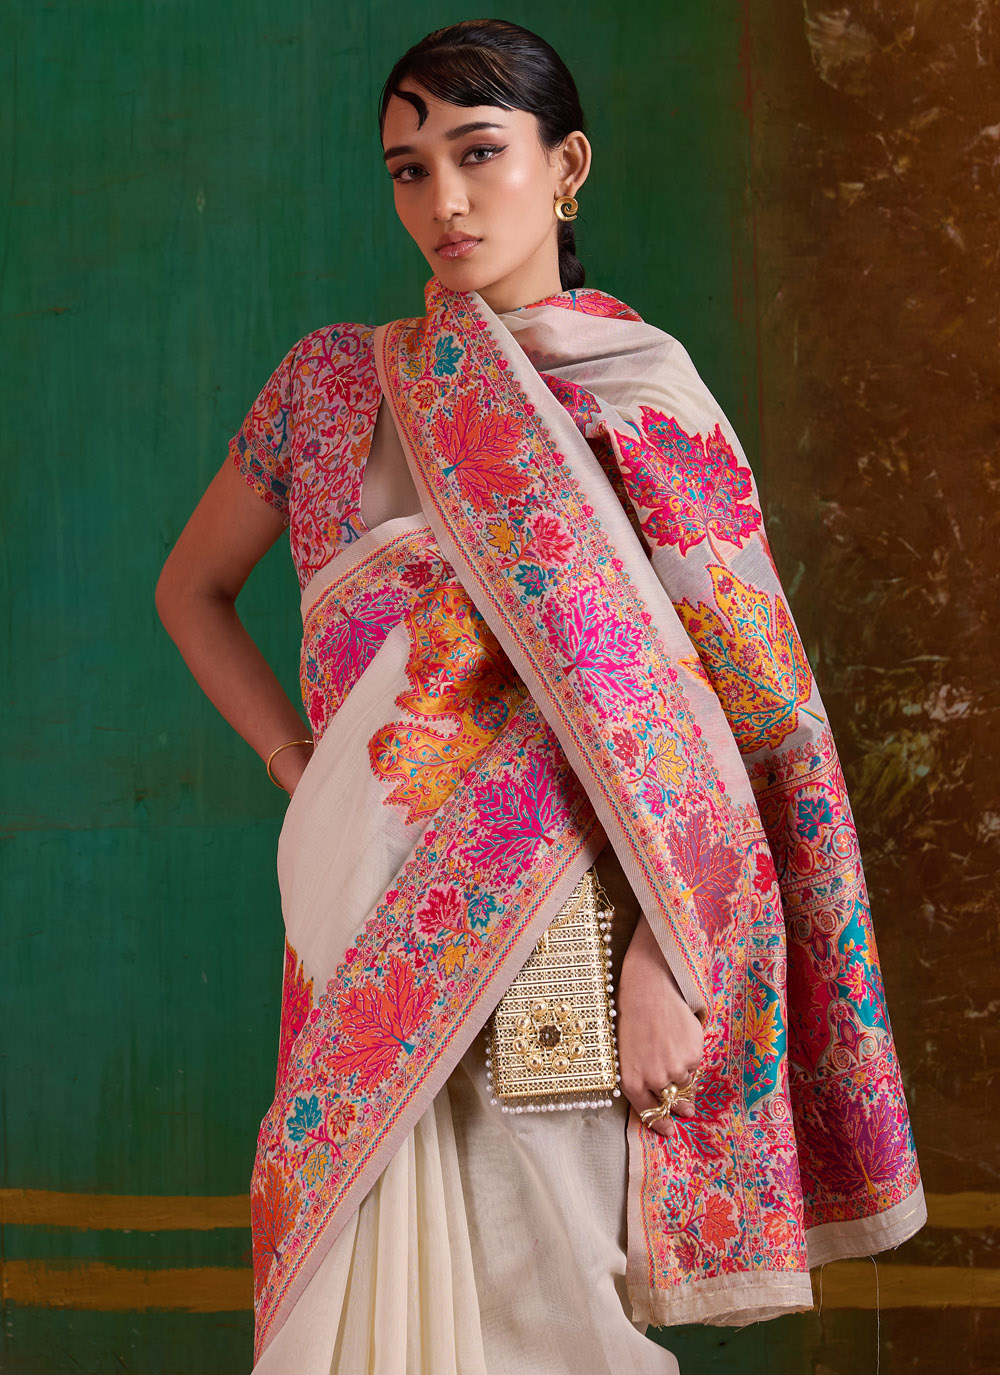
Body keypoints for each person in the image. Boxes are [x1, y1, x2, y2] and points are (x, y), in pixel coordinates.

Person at [156, 19, 926, 1375]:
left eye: (479, 154)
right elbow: (190, 592)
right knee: (343, 1283)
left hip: (560, 912)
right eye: (409, 170)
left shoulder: (641, 396)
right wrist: (296, 762)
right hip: (353, 901)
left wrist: (671, 956)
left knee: (545, 1302)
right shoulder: (328, 387)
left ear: (566, 168)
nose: (443, 201)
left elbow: (738, 714)